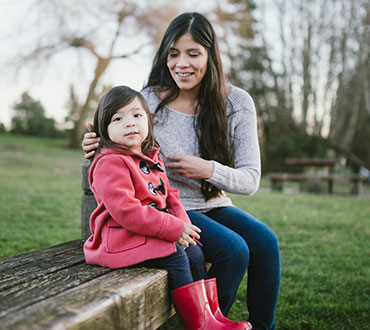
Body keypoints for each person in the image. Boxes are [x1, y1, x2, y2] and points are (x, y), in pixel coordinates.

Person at [83, 12, 280, 330]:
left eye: (193, 53)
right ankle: (204, 324)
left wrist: (209, 169)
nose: (181, 63)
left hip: (213, 203)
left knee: (266, 242)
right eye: (173, 53)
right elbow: (120, 136)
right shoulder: (147, 101)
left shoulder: (236, 103)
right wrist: (95, 141)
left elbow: (250, 179)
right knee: (233, 249)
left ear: (210, 55)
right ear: (164, 56)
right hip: (167, 208)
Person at [83, 85, 251, 330]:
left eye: (137, 115)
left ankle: (212, 314)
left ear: (149, 122)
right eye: (118, 118)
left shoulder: (151, 156)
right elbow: (127, 212)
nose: (129, 123)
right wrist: (172, 229)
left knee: (194, 250)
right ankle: (199, 324)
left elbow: (170, 195)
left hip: (144, 232)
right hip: (120, 238)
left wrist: (185, 225)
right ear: (104, 130)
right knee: (176, 256)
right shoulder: (110, 162)